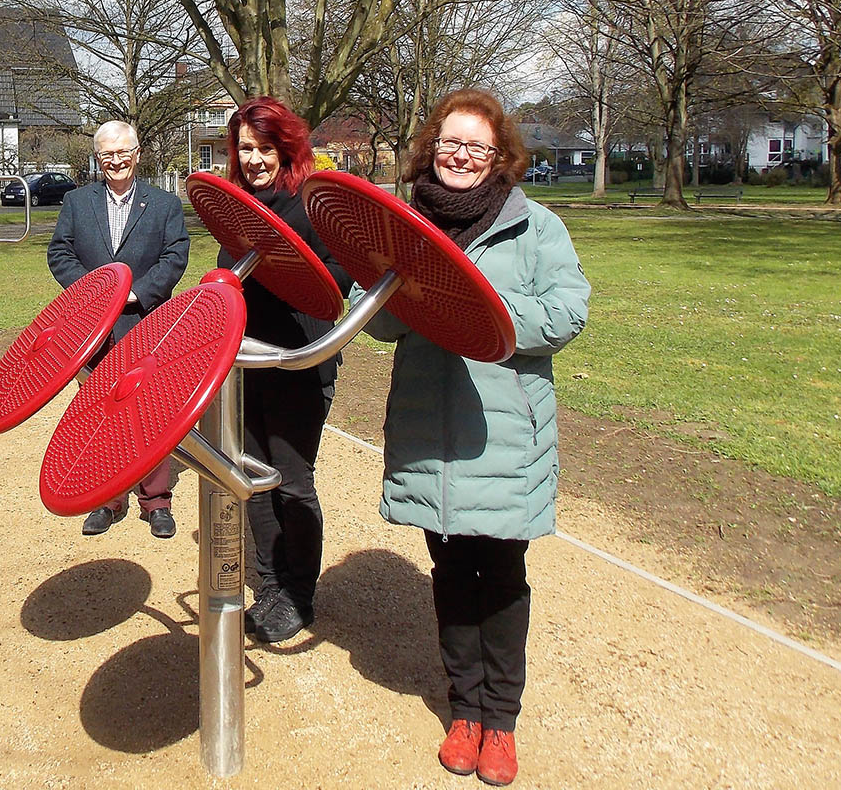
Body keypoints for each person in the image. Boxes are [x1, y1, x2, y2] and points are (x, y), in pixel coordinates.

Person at [353, 88, 590, 785]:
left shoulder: (534, 225)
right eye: (450, 144)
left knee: (503, 577)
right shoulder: (407, 226)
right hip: (431, 429)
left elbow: (566, 313)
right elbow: (383, 325)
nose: (461, 157)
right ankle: (464, 711)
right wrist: (392, 291)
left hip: (506, 433)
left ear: (500, 157)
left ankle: (503, 722)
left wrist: (478, 309)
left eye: (476, 147)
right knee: (453, 573)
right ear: (432, 150)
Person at [219, 97, 352, 643]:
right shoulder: (238, 209)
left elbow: (338, 277)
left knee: (293, 480)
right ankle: (272, 584)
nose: (253, 160)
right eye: (245, 149)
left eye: (264, 149)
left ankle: (299, 592)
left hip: (298, 361)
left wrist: (295, 278)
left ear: (288, 148)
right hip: (246, 365)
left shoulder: (311, 204)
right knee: (253, 475)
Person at [47, 120, 189, 539]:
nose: (115, 160)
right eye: (107, 153)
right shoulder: (76, 202)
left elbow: (176, 254)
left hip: (146, 321)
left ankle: (156, 501)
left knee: (152, 413)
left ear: (138, 153)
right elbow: (59, 252)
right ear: (97, 157)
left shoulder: (164, 205)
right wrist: (96, 292)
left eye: (123, 151)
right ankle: (107, 498)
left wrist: (135, 294)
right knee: (99, 413)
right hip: (92, 327)